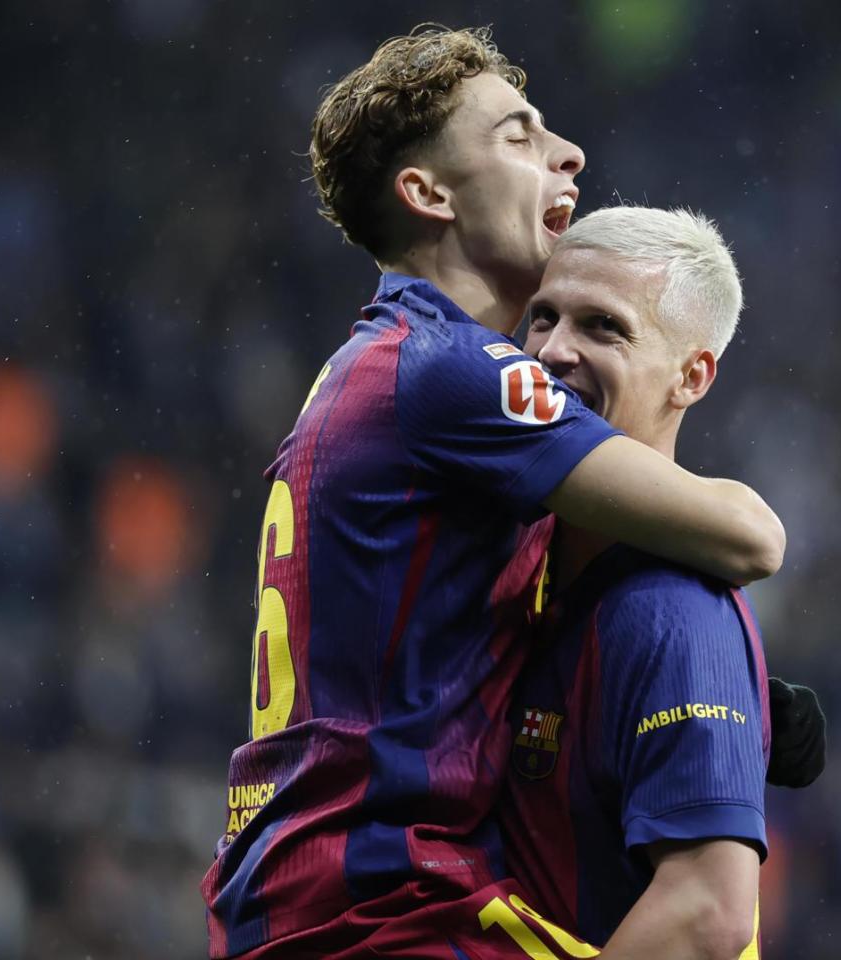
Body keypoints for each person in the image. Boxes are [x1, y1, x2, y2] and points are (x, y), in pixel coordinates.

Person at [201, 27, 786, 959]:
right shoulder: (454, 369)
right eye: (519, 135)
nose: (568, 154)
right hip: (386, 910)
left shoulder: (367, 368)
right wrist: (710, 655)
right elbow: (752, 538)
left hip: (300, 893)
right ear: (429, 194)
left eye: (601, 324)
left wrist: (711, 708)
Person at [501, 207, 805, 958]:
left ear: (691, 376)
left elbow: (706, 913)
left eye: (603, 327)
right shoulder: (522, 560)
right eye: (542, 317)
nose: (553, 350)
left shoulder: (672, 612)